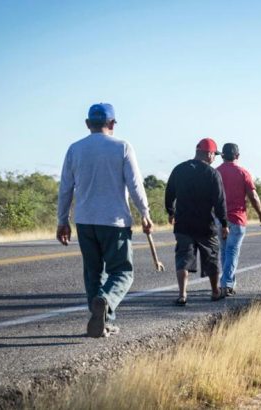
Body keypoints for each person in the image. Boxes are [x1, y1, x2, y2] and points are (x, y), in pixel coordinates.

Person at [56, 103, 153, 338]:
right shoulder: (122, 147)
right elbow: (135, 185)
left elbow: (65, 188)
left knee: (93, 273)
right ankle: (106, 302)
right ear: (112, 124)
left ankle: (102, 321)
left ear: (88, 124)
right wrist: (145, 212)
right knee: (122, 272)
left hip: (85, 221)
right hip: (114, 221)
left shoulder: (74, 149)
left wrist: (62, 220)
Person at [165, 138, 229, 306]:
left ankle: (182, 294)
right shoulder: (212, 173)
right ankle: (215, 292)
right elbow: (220, 201)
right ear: (208, 154)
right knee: (211, 257)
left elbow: (169, 192)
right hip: (205, 225)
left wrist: (171, 212)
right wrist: (224, 223)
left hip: (183, 224)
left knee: (183, 258)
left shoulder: (179, 169)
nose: (214, 158)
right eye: (214, 154)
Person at [216, 143, 261, 296]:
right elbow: (253, 196)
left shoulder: (215, 172)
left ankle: (225, 281)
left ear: (222, 155)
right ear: (237, 156)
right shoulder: (243, 173)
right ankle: (227, 284)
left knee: (224, 250)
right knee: (232, 251)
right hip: (237, 219)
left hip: (219, 219)